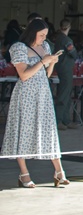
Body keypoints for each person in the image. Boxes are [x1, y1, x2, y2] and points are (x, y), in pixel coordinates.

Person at [1, 18, 70, 188]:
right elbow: (23, 75)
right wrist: (42, 61)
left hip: (43, 92)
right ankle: (24, 174)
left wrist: (51, 63)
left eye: (45, 35)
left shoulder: (45, 47)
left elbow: (45, 74)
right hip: (26, 94)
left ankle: (59, 171)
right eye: (41, 35)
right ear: (32, 33)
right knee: (23, 129)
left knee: (49, 129)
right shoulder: (19, 48)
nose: (43, 38)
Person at [49, 19, 79, 130]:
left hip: (61, 68)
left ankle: (66, 120)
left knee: (66, 95)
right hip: (66, 69)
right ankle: (58, 121)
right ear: (69, 27)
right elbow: (73, 53)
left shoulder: (57, 38)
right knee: (63, 95)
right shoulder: (66, 39)